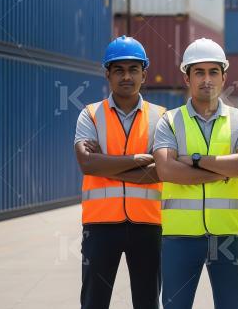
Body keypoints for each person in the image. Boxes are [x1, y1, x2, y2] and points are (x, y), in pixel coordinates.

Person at [153, 38, 238, 309]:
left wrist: (194, 161)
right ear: (187, 77)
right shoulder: (169, 121)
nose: (207, 79)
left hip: (228, 235)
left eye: (213, 72)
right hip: (180, 237)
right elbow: (166, 169)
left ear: (224, 76)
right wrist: (222, 170)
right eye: (199, 72)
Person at [74, 36, 165, 309]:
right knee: (94, 302)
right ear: (108, 74)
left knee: (147, 302)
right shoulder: (90, 115)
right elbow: (87, 164)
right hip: (99, 226)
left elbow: (161, 171)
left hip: (148, 226)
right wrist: (137, 160)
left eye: (133, 69)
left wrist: (107, 162)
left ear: (144, 74)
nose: (126, 76)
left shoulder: (161, 117)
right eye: (119, 70)